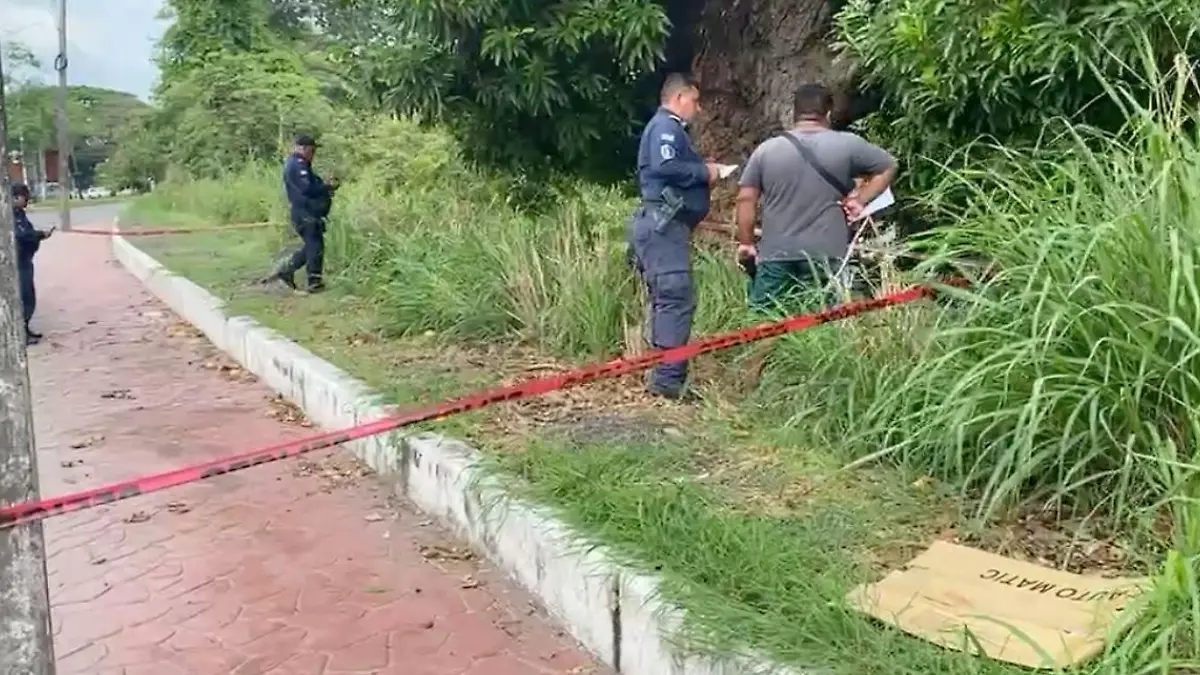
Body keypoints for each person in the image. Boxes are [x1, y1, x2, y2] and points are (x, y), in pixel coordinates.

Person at [735, 82, 897, 311]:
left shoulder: (766, 150)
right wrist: (861, 199)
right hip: (828, 253)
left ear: (795, 113)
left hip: (777, 252)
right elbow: (888, 166)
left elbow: (745, 199)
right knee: (825, 319)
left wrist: (746, 242)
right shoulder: (848, 144)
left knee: (762, 323)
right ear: (828, 113)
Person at [628, 73, 722, 400]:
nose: (697, 109)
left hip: (665, 225)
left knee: (671, 297)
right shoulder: (667, 127)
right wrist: (705, 172)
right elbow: (667, 166)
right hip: (663, 225)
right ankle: (667, 380)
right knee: (675, 294)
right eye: (694, 101)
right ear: (679, 98)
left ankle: (665, 375)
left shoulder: (668, 128)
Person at [263, 134, 339, 293]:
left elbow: (311, 186)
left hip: (307, 212)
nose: (313, 155)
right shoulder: (297, 165)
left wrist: (326, 188)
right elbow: (306, 189)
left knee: (312, 246)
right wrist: (325, 186)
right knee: (314, 245)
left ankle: (287, 270)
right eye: (312, 151)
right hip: (305, 213)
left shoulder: (299, 164)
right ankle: (314, 282)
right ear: (303, 149)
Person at [10, 183, 52, 345]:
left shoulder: (19, 213)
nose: (27, 201)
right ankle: (21, 334)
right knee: (24, 297)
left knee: (28, 297)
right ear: (15, 198)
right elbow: (22, 236)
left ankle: (25, 329)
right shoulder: (10, 215)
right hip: (18, 263)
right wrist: (40, 234)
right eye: (24, 197)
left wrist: (39, 235)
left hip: (25, 260)